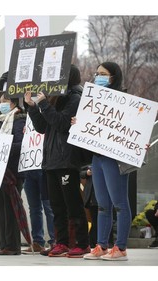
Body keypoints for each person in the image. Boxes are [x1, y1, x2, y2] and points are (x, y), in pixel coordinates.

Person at [24, 64, 90, 258]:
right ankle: (60, 242)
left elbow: (62, 124)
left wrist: (44, 104)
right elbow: (43, 127)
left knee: (72, 203)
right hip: (51, 159)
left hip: (67, 159)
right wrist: (33, 108)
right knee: (57, 205)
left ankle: (81, 243)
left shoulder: (75, 97)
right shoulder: (55, 98)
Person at [82, 61, 131, 261]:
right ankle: (101, 245)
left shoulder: (124, 100)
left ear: (113, 76)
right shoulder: (93, 98)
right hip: (98, 156)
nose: (98, 76)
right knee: (102, 205)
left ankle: (121, 248)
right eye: (97, 73)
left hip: (114, 158)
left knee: (119, 203)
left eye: (103, 73)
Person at [0, 72, 26, 256]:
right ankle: (4, 243)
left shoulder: (19, 120)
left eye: (5, 101)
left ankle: (13, 245)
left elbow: (21, 144)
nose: (1, 104)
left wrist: (3, 147)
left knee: (11, 209)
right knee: (2, 209)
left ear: (13, 103)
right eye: (0, 101)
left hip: (11, 171)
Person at [21, 169, 55, 254]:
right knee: (33, 208)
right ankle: (38, 242)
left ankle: (54, 241)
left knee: (48, 206)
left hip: (43, 168)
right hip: (27, 169)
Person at [80, 165, 114, 249]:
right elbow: (80, 172)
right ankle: (93, 242)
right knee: (94, 221)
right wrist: (87, 173)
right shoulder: (89, 161)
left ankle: (108, 241)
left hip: (105, 194)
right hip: (92, 196)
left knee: (106, 217)